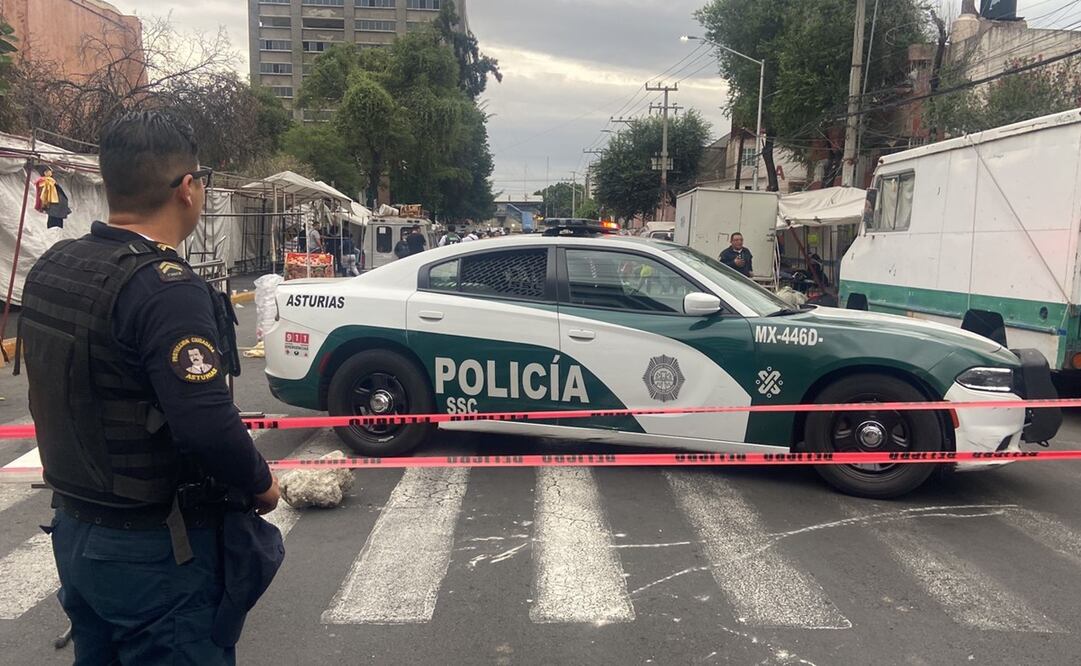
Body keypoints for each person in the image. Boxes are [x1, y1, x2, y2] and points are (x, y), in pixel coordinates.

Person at [19, 111, 283, 664]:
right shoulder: (165, 289)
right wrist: (262, 484)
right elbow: (207, 425)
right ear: (188, 188)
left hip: (77, 530)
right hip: (156, 552)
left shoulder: (54, 265)